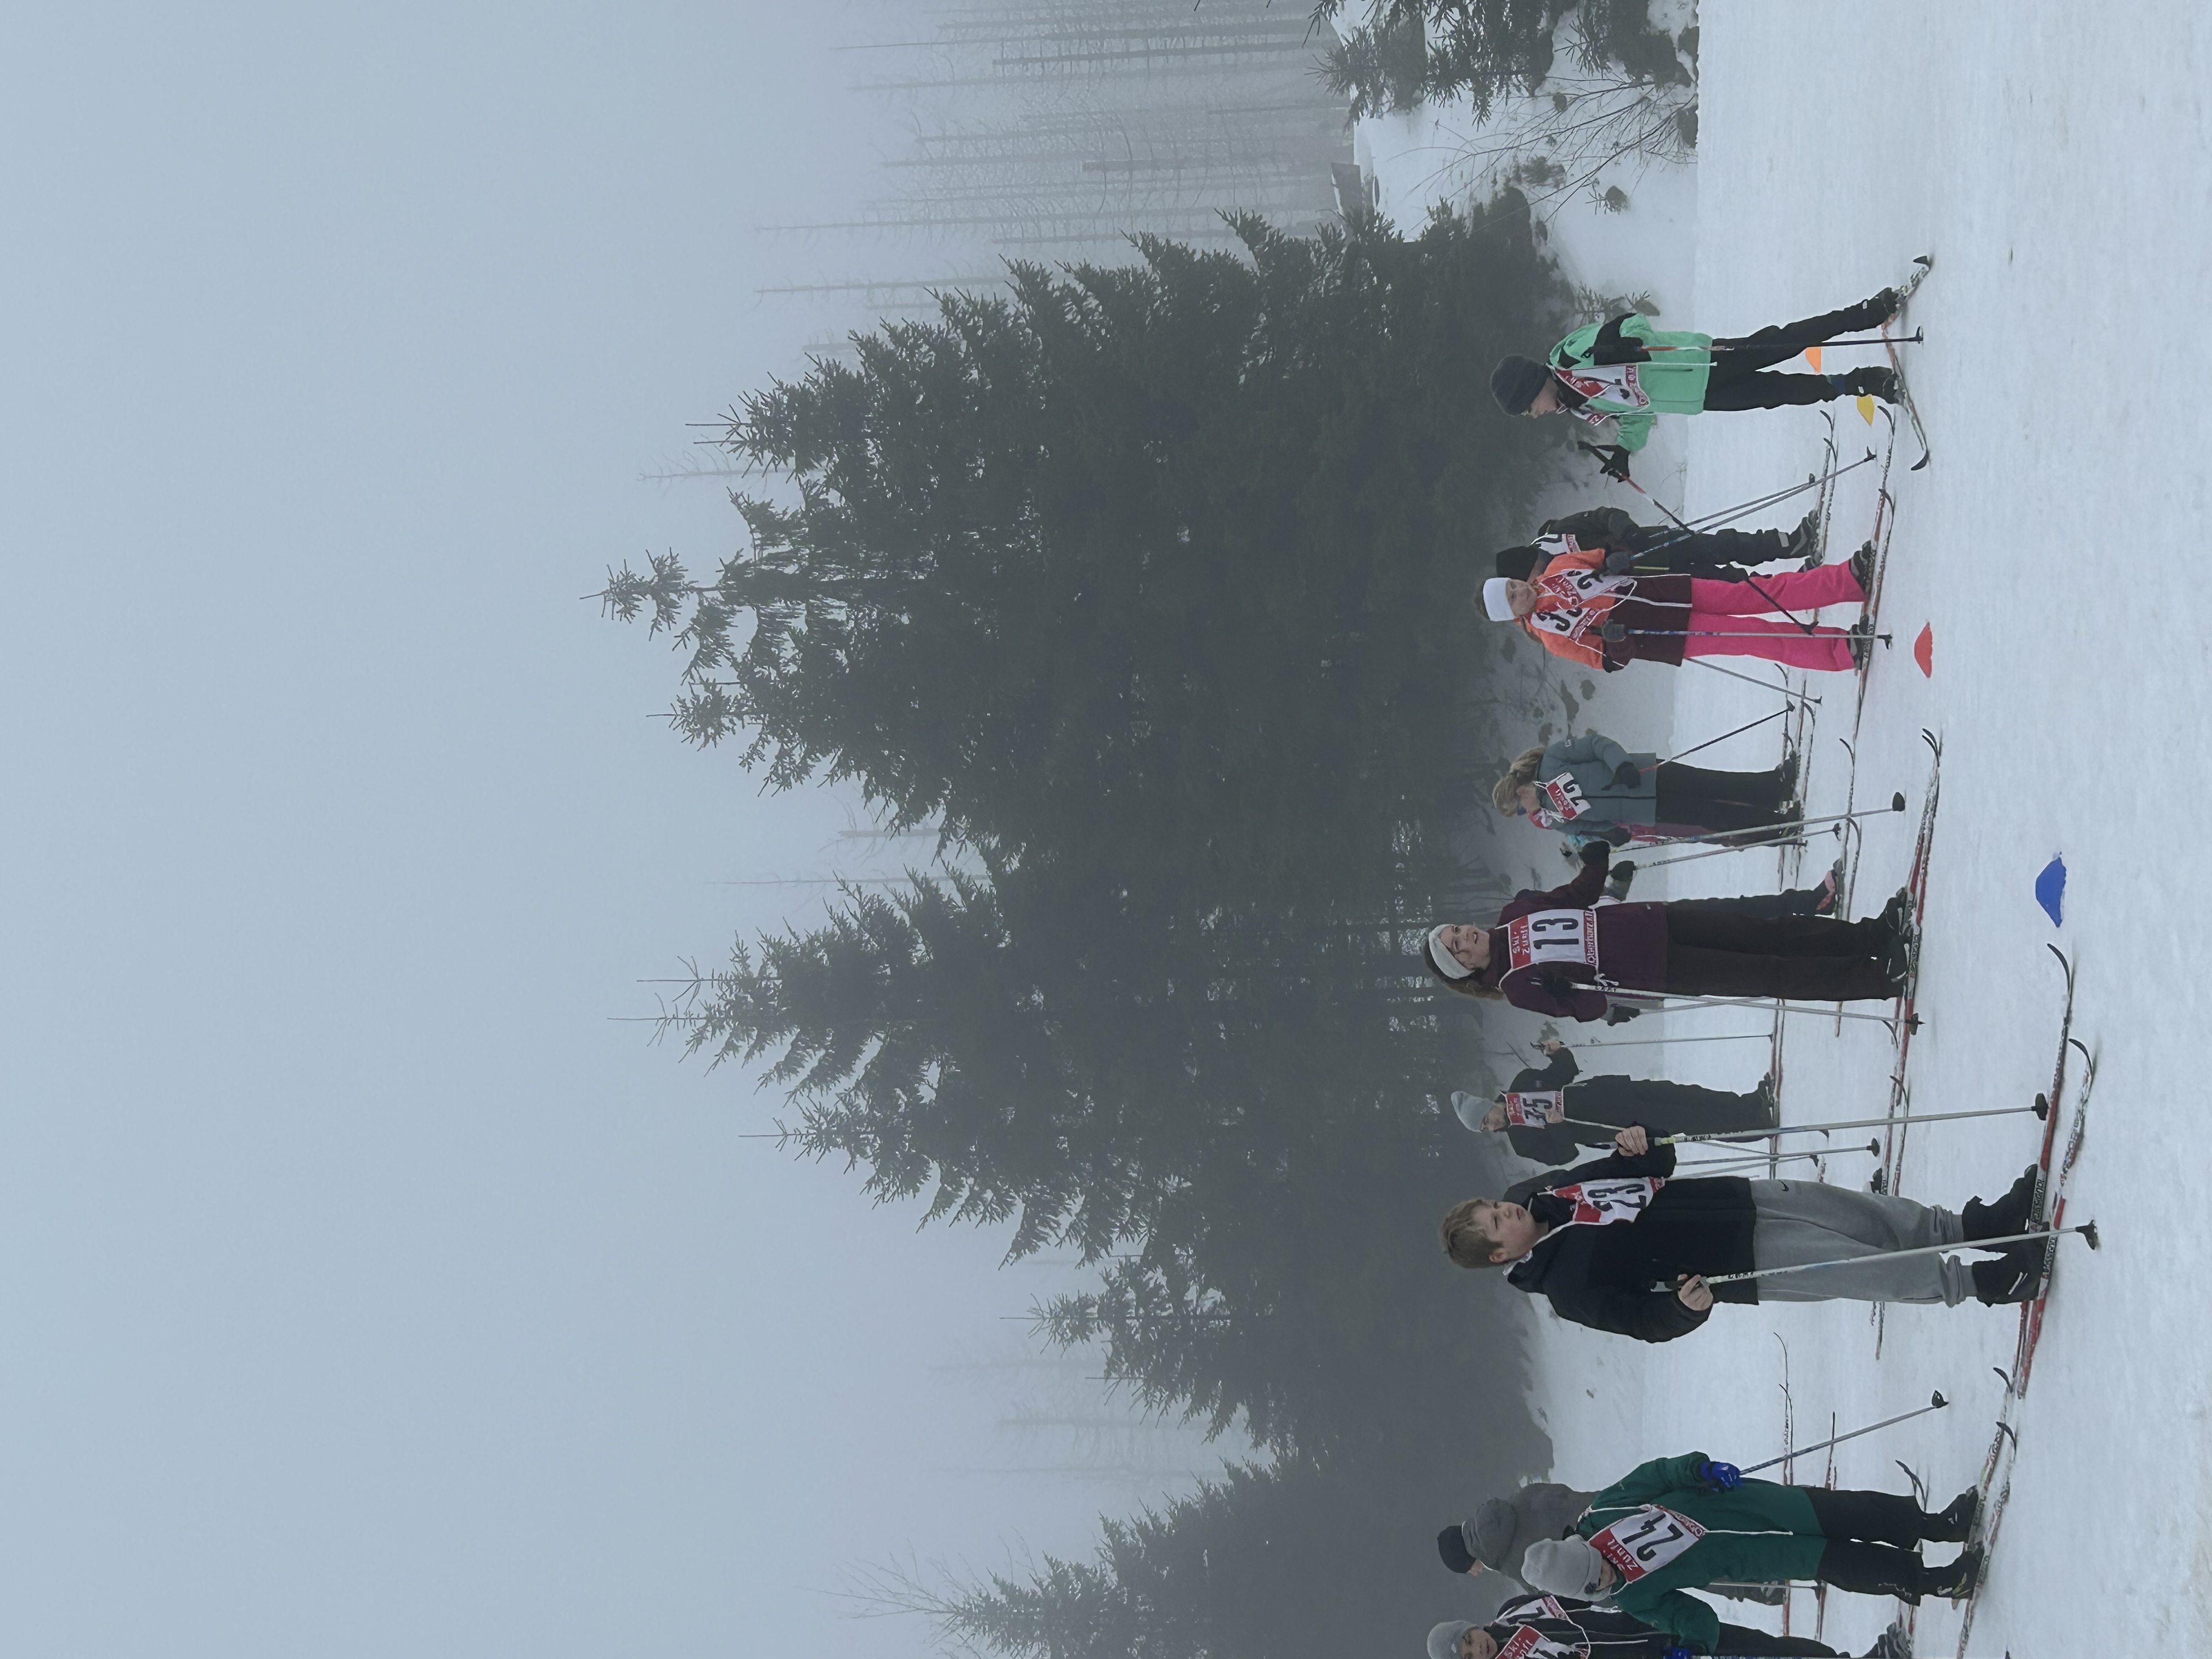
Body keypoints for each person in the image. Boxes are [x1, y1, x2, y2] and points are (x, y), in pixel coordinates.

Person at [1438, 1128, 2049, 1338]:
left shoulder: (1553, 1193)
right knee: (1858, 1265)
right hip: (1738, 1259)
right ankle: (1986, 1281)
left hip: (1732, 1199)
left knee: (1866, 1216)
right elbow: (1642, 1323)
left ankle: (1976, 1226)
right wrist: (1682, 1309)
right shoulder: (1566, 1288)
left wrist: (1640, 1142)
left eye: (1498, 1204)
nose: (1509, 1211)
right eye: (1498, 1222)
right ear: (1498, 1256)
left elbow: (1647, 1168)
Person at [1511, 1452, 1980, 1647]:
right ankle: (1936, 1581)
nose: (1607, 1579)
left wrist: (1701, 1470)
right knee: (1845, 1564)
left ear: (1584, 1546)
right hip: (1758, 1560)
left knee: (1849, 1510)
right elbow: (1687, 1617)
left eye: (1599, 1568)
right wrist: (1692, 1646)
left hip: (1754, 1506)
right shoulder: (1631, 1598)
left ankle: (1939, 1525)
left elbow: (1656, 1475)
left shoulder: (1606, 1510)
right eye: (1597, 1589)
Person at [1422, 840, 1912, 1018]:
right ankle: (1875, 979)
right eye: (1458, 947)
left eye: (1458, 931)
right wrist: (1569, 990)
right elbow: (1585, 1008)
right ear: (1465, 968)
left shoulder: (1514, 913)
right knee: (1768, 971)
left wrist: (1595, 861)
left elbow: (1574, 899)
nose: (1466, 937)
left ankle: (1871, 936)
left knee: (1772, 931)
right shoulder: (1514, 987)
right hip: (1656, 968)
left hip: (1655, 920)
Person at [1488, 289, 1905, 478]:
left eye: (1529, 407)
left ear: (1531, 386)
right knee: (1783, 393)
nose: (1535, 414)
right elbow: (1637, 412)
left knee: (1787, 341)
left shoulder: (1568, 359)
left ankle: (1866, 312)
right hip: (1700, 397)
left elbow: (1630, 323)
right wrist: (1624, 452)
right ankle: (1859, 383)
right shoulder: (1577, 405)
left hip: (1700, 361)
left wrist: (1628, 340)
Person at [1480, 542, 1875, 676]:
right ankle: (1841, 651)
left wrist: (1618, 559)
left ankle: (1846, 581)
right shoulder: (1552, 636)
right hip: (1660, 635)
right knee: (1753, 636)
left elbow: (1607, 555)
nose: (1520, 591)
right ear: (1515, 617)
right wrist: (1616, 643)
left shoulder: (1556, 568)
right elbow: (1606, 662)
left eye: (1514, 585)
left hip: (1669, 591)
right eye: (1514, 597)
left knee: (1757, 590)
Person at [1434, 1486, 1785, 1607]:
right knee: (1691, 1521)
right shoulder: (1518, 1498)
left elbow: (1568, 1593)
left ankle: (1766, 1587)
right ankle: (1780, 1522)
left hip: (1614, 1568)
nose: (1477, 1572)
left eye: (1470, 1569)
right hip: (1615, 1512)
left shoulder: (1516, 1564)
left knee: (1689, 1570)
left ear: (1470, 1559)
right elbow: (1564, 1495)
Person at [1449, 1037, 1774, 1165]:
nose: (1491, 1127)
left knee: (1689, 1095)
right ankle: (1752, 1128)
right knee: (1686, 1120)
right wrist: (1558, 1128)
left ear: (1487, 1105)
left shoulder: (1521, 1085)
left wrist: (1558, 1052)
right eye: (1485, 1129)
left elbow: (1566, 1071)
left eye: (1485, 1120)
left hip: (1614, 1092)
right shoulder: (1521, 1141)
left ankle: (1749, 1104)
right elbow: (1564, 1155)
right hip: (1613, 1126)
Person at [1494, 730, 1799, 841]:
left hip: (1646, 774)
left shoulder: (1554, 760)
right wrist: (1611, 834)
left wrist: (1622, 765)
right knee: (1712, 816)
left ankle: (1774, 786)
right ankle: (1777, 828)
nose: (1528, 815)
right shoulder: (1555, 820)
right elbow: (1585, 828)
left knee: (1713, 783)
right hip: (1647, 810)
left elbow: (1598, 745)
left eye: (1521, 811)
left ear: (1522, 794)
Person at [1424, 1589, 1904, 1659]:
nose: (1476, 1649)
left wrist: (1638, 1601)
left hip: (1655, 1626)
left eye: (1467, 1639)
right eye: (1466, 1656)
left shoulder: (1516, 1609)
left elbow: (1584, 1595)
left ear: (1470, 1626)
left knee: (1760, 1645)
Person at [1493, 505, 1821, 590]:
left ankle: (1791, 544)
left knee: (1726, 545)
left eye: (1531, 574)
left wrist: (1628, 533)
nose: (1535, 580)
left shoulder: (1560, 533)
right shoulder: (1549, 585)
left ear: (1531, 561)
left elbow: (1606, 516)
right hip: (1649, 582)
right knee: (1726, 584)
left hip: (1653, 544)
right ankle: (1795, 584)